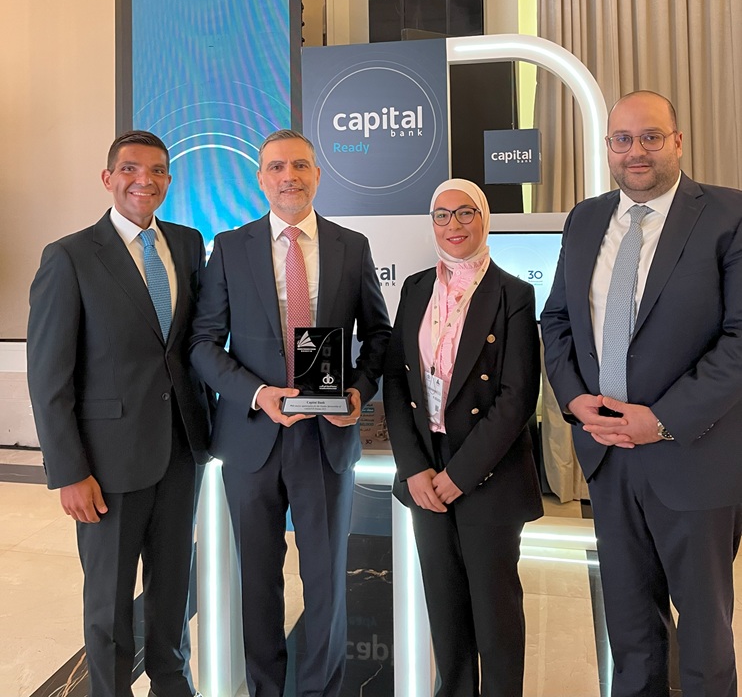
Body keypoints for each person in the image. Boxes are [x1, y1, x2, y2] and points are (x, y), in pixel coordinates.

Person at [541, 90, 742, 697]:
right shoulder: (584, 219)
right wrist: (574, 400)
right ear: (608, 147)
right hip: (608, 456)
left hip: (692, 457)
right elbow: (557, 321)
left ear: (677, 141)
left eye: (651, 137)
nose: (636, 151)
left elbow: (739, 340)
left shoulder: (728, 215)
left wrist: (660, 420)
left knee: (704, 636)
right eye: (623, 139)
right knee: (630, 633)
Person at [190, 128, 391, 697]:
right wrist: (258, 393)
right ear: (260, 179)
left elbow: (379, 335)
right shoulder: (230, 247)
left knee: (326, 585)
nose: (289, 177)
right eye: (276, 167)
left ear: (317, 175)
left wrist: (358, 393)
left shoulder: (351, 246)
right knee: (257, 583)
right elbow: (203, 343)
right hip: (252, 439)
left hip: (325, 440)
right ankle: (265, 690)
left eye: (300, 165)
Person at [27, 130, 211, 697]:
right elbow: (48, 377)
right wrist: (69, 471)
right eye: (130, 169)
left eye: (156, 171)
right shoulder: (70, 256)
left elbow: (191, 344)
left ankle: (171, 684)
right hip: (105, 466)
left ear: (168, 182)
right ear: (108, 178)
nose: (143, 180)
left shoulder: (187, 243)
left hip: (181, 449)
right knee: (108, 603)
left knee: (173, 588)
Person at [383, 178, 543, 697]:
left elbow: (517, 398)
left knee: (495, 615)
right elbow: (396, 382)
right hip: (426, 470)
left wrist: (460, 475)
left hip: (485, 470)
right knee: (445, 611)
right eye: (442, 215)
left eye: (465, 212)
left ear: (484, 218)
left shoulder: (513, 294)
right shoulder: (414, 289)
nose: (454, 225)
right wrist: (414, 468)